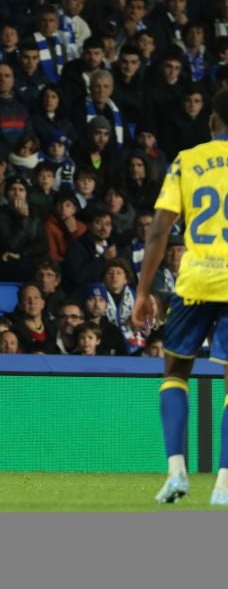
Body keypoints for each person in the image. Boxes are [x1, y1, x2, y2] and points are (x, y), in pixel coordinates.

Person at [131, 87, 228, 506]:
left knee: (175, 372)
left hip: (194, 283)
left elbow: (158, 230)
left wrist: (143, 290)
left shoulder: (188, 161)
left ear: (211, 122)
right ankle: (224, 484)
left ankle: (176, 471)